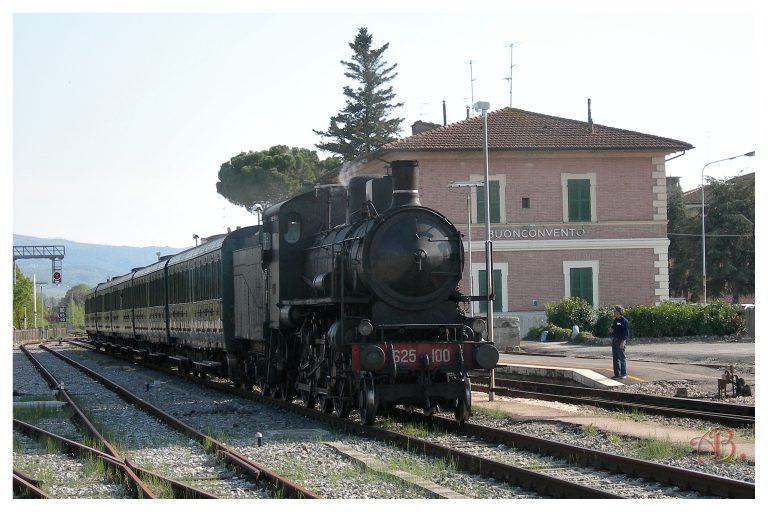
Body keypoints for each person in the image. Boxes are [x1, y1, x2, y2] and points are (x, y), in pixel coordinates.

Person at [609, 305, 629, 379]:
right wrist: (611, 330)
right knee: (615, 358)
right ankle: (617, 374)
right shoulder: (615, 320)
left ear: (619, 312)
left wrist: (623, 342)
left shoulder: (624, 321)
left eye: (615, 311)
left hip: (621, 340)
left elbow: (626, 333)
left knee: (622, 358)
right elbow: (613, 329)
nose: (614, 312)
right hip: (614, 340)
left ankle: (623, 374)